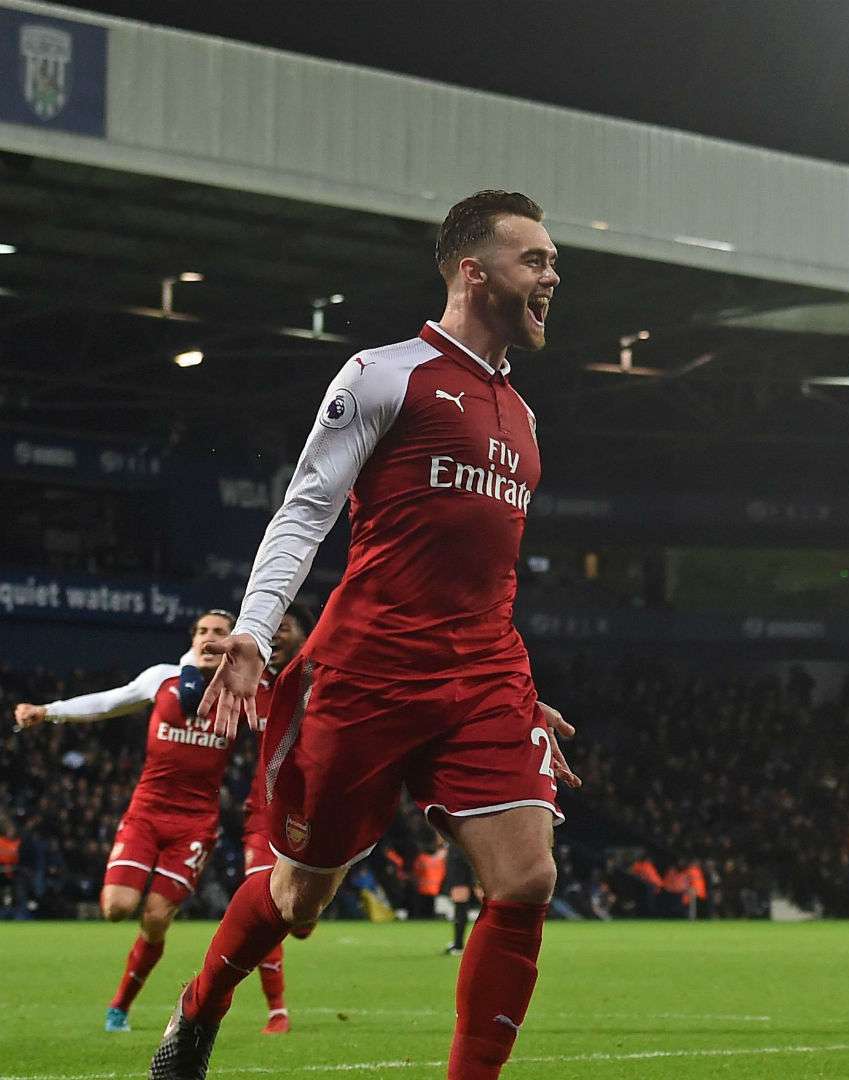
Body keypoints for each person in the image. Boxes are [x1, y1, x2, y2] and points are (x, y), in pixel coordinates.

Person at [150, 190, 581, 1080]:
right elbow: (305, 509)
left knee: (526, 881)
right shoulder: (385, 375)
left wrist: (520, 690)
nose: (552, 276)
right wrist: (257, 634)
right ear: (474, 271)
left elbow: (486, 572)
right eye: (534, 260)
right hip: (368, 672)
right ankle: (199, 1006)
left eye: (552, 262)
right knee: (301, 899)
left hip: (485, 674)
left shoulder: (526, 421)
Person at [13, 610, 247, 1032]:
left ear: (233, 642)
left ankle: (120, 1005)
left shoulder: (243, 690)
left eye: (220, 632)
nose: (209, 638)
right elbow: (108, 702)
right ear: (192, 638)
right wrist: (48, 711)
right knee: (116, 908)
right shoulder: (163, 678)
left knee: (156, 918)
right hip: (147, 812)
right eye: (203, 631)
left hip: (195, 823)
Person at [238, 602, 317, 1035]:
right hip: (263, 813)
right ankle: (277, 1011)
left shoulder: (323, 682)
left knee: (299, 919)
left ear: (306, 633)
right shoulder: (258, 683)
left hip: (314, 815)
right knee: (266, 907)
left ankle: (308, 912)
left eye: (283, 628)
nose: (275, 636)